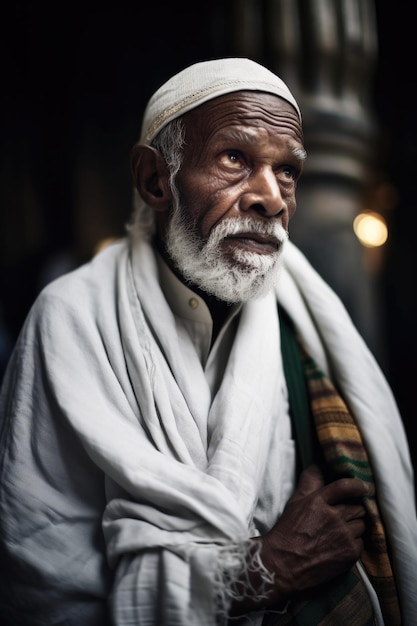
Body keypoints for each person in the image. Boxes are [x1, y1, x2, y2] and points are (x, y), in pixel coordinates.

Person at [0, 58, 416, 626]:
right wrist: (259, 571)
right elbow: (42, 577)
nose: (270, 196)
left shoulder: (311, 322)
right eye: (234, 158)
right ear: (155, 180)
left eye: (287, 171)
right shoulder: (72, 318)